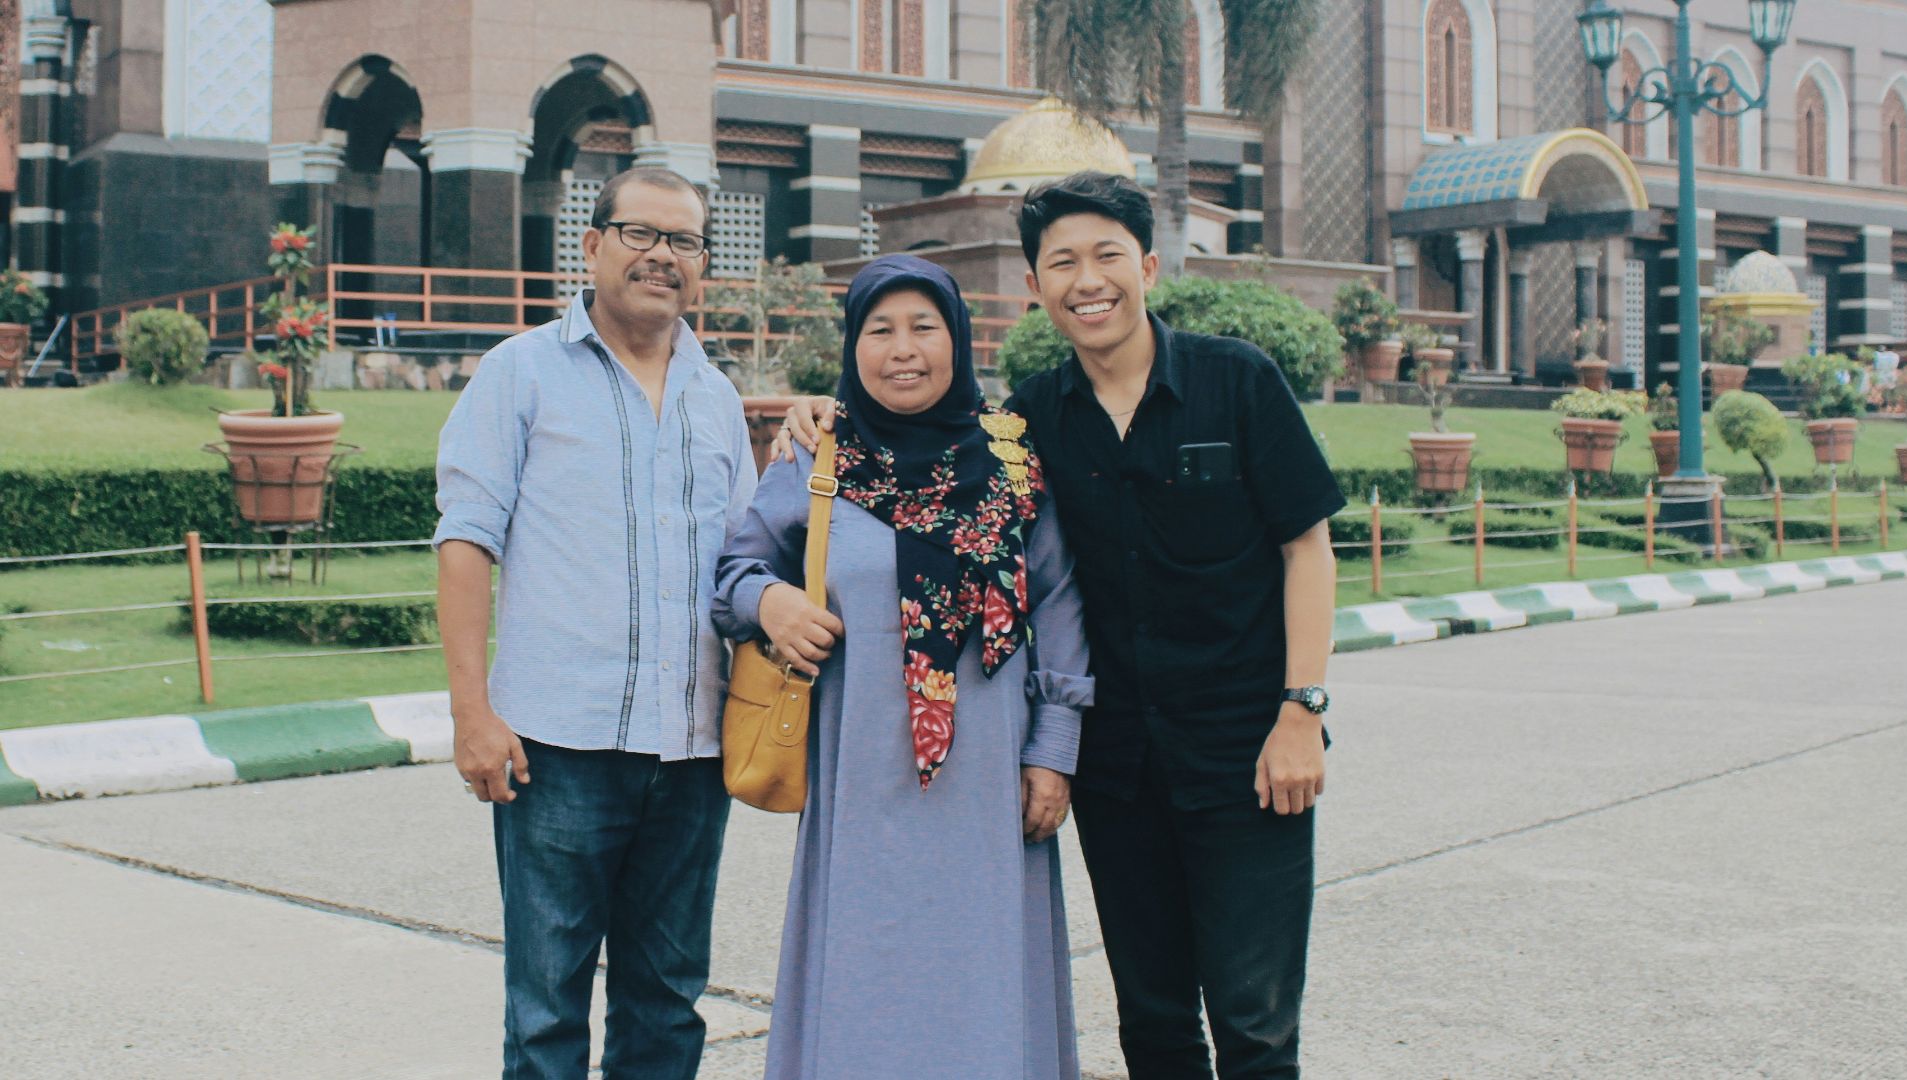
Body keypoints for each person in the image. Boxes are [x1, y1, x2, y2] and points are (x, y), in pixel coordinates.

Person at [778, 172, 1344, 1079]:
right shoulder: (1028, 422)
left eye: (1106, 256)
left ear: (1147, 267)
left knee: (1255, 1025)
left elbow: (1306, 547)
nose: (1088, 281)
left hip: (1245, 749)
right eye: (1062, 263)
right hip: (1117, 767)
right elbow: (925, 441)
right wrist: (824, 414)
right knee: (1153, 1022)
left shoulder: (1237, 380)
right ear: (1036, 287)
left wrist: (1301, 711)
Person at [713, 254, 1092, 1079]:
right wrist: (771, 604)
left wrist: (1053, 751)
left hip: (991, 775)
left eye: (924, 327)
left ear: (957, 338)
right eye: (880, 330)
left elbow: (1059, 604)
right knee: (869, 957)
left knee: (982, 962)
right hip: (859, 768)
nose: (903, 349)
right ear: (853, 346)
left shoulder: (1012, 460)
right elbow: (736, 570)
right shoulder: (818, 456)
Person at [433, 167, 756, 1080]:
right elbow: (466, 542)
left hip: (692, 752)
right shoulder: (520, 372)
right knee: (545, 1015)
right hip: (557, 749)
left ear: (702, 264)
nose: (661, 256)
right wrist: (471, 713)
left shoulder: (717, 398)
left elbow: (743, 565)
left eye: (683, 240)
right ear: (592, 245)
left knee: (667, 1007)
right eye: (639, 234)